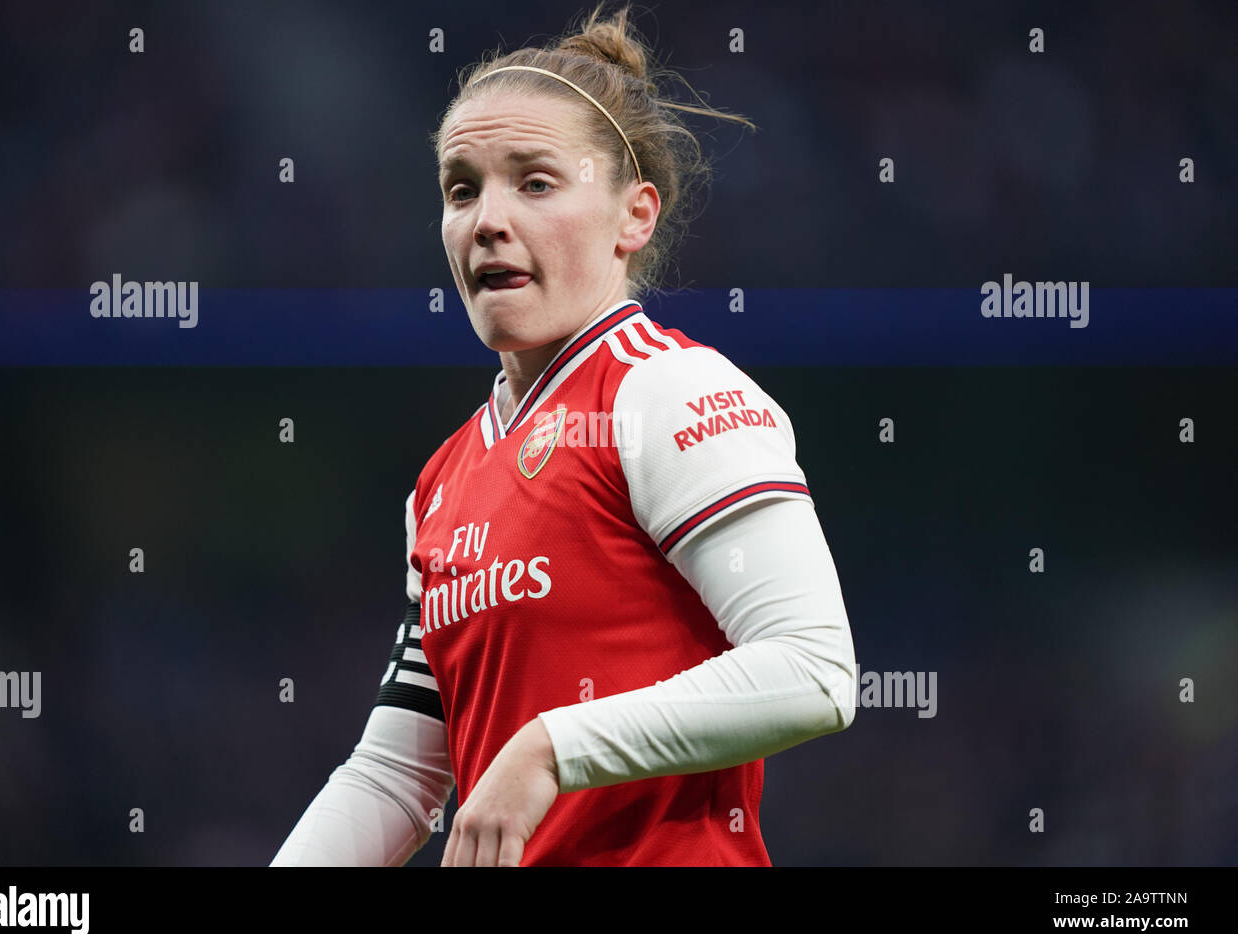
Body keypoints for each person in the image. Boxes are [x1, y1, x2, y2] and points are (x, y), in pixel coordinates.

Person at [271, 2, 856, 867]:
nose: (487, 220)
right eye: (461, 189)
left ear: (635, 218)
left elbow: (814, 672)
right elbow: (394, 775)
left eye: (535, 182)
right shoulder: (444, 481)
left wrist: (550, 747)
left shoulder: (670, 390)